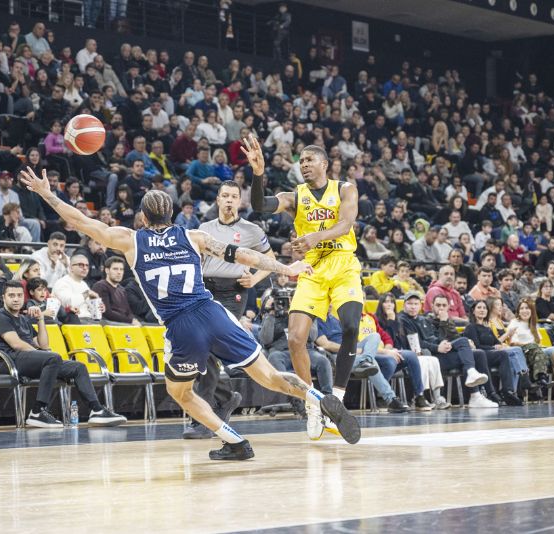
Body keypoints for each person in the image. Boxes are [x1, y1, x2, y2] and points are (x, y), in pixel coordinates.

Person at [20, 167, 360, 459]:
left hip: (181, 327)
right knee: (269, 375)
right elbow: (243, 255)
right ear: (172, 214)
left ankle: (235, 441)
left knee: (180, 392)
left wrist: (48, 194)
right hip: (213, 312)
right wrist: (286, 268)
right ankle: (318, 397)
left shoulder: (130, 240)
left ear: (143, 217)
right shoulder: (195, 236)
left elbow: (79, 220)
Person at [245, 135, 363, 440]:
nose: (304, 165)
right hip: (312, 269)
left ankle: (336, 399)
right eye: (301, 162)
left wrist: (314, 237)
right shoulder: (295, 196)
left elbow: (346, 224)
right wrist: (258, 173)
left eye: (310, 160)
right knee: (296, 339)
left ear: (324, 163)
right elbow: (259, 204)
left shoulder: (345, 188)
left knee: (351, 326)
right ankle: (313, 404)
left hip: (343, 264)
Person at [184, 182, 272, 439]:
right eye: (225, 196)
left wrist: (254, 279)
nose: (230, 200)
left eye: (234, 196)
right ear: (218, 200)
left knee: (208, 350)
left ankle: (203, 420)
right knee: (204, 351)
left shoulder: (252, 230)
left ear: (240, 201)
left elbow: (270, 259)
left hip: (234, 292)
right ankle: (225, 398)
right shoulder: (204, 228)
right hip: (205, 290)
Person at [0, 281, 125, 428]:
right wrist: (44, 355)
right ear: (4, 298)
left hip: (25, 360)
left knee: (78, 367)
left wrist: (40, 319)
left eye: (19, 295)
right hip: (7, 362)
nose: (16, 299)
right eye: (11, 295)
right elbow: (16, 344)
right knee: (52, 357)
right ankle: (38, 411)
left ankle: (96, 410)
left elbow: (43, 344)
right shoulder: (0, 317)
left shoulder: (23, 319)